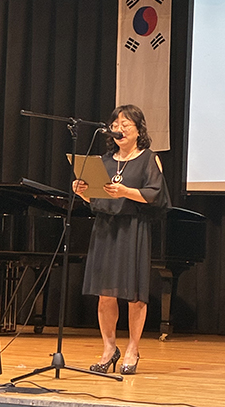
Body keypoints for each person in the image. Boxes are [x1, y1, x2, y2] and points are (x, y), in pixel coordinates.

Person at [73, 105, 171, 375]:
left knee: (134, 295)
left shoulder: (149, 159)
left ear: (139, 130)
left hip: (133, 229)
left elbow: (155, 195)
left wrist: (126, 191)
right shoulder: (104, 161)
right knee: (105, 295)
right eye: (115, 124)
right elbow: (96, 198)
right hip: (105, 229)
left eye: (126, 124)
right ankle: (109, 348)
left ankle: (132, 349)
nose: (120, 129)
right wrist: (82, 192)